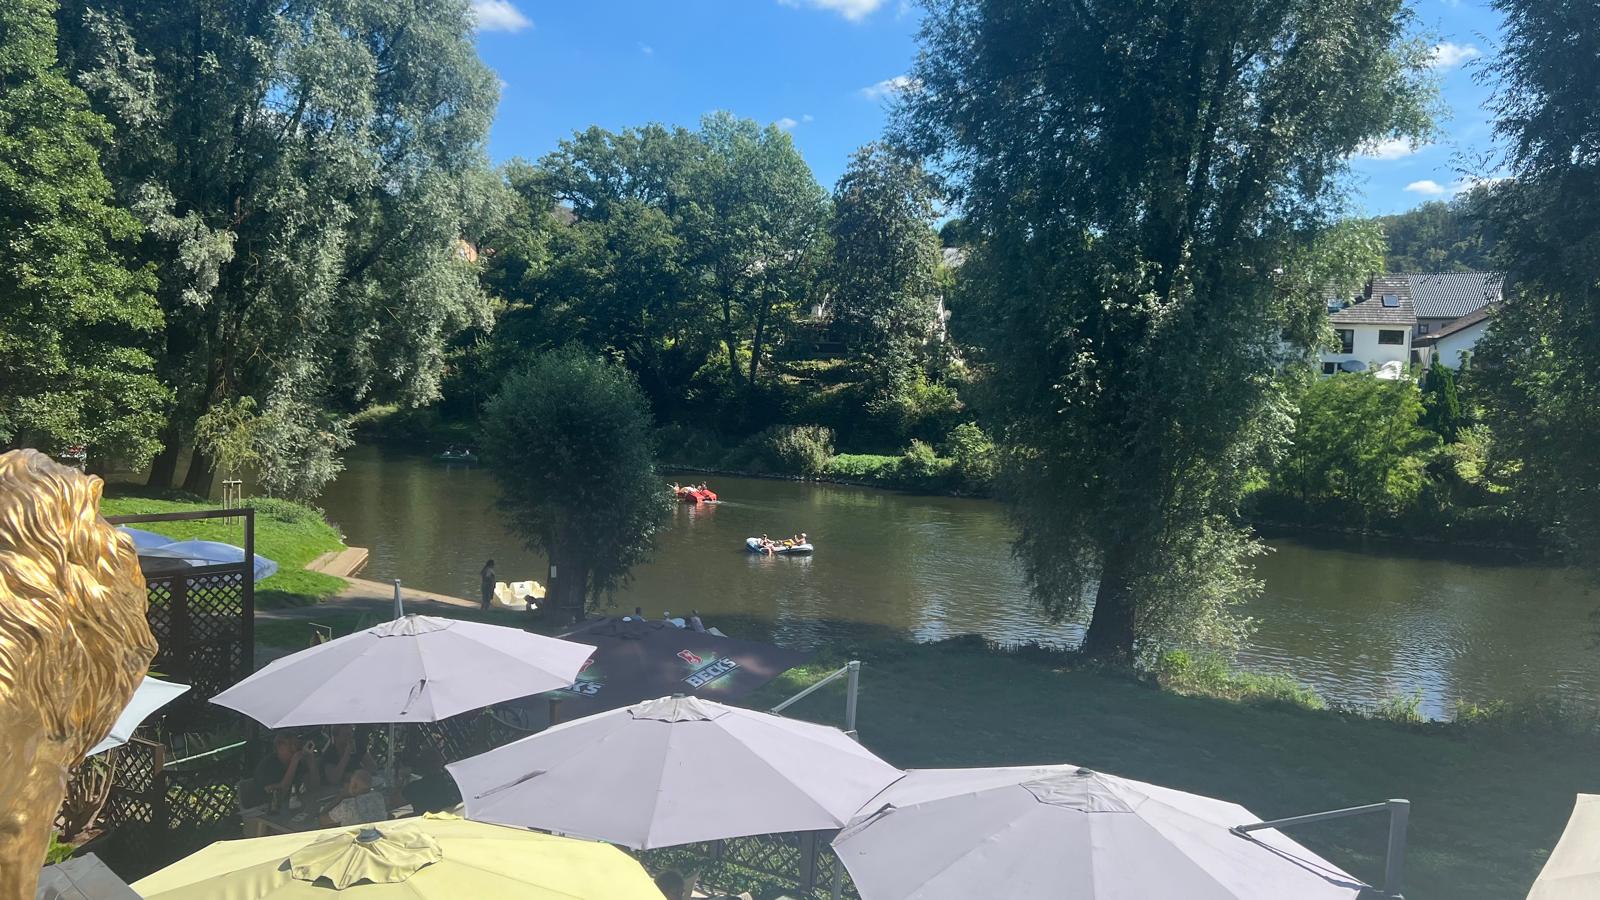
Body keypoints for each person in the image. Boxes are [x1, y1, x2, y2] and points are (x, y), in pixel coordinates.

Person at [252, 733, 318, 805]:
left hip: (292, 804)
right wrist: (294, 762)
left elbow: (314, 788)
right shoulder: (267, 766)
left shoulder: (298, 763)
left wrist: (311, 761)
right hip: (265, 808)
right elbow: (278, 796)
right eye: (290, 744)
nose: (294, 748)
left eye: (296, 744)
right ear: (279, 747)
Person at [320, 768, 388, 827]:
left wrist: (340, 796)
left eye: (348, 780)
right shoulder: (379, 797)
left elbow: (323, 820)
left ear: (353, 786)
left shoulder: (347, 805)